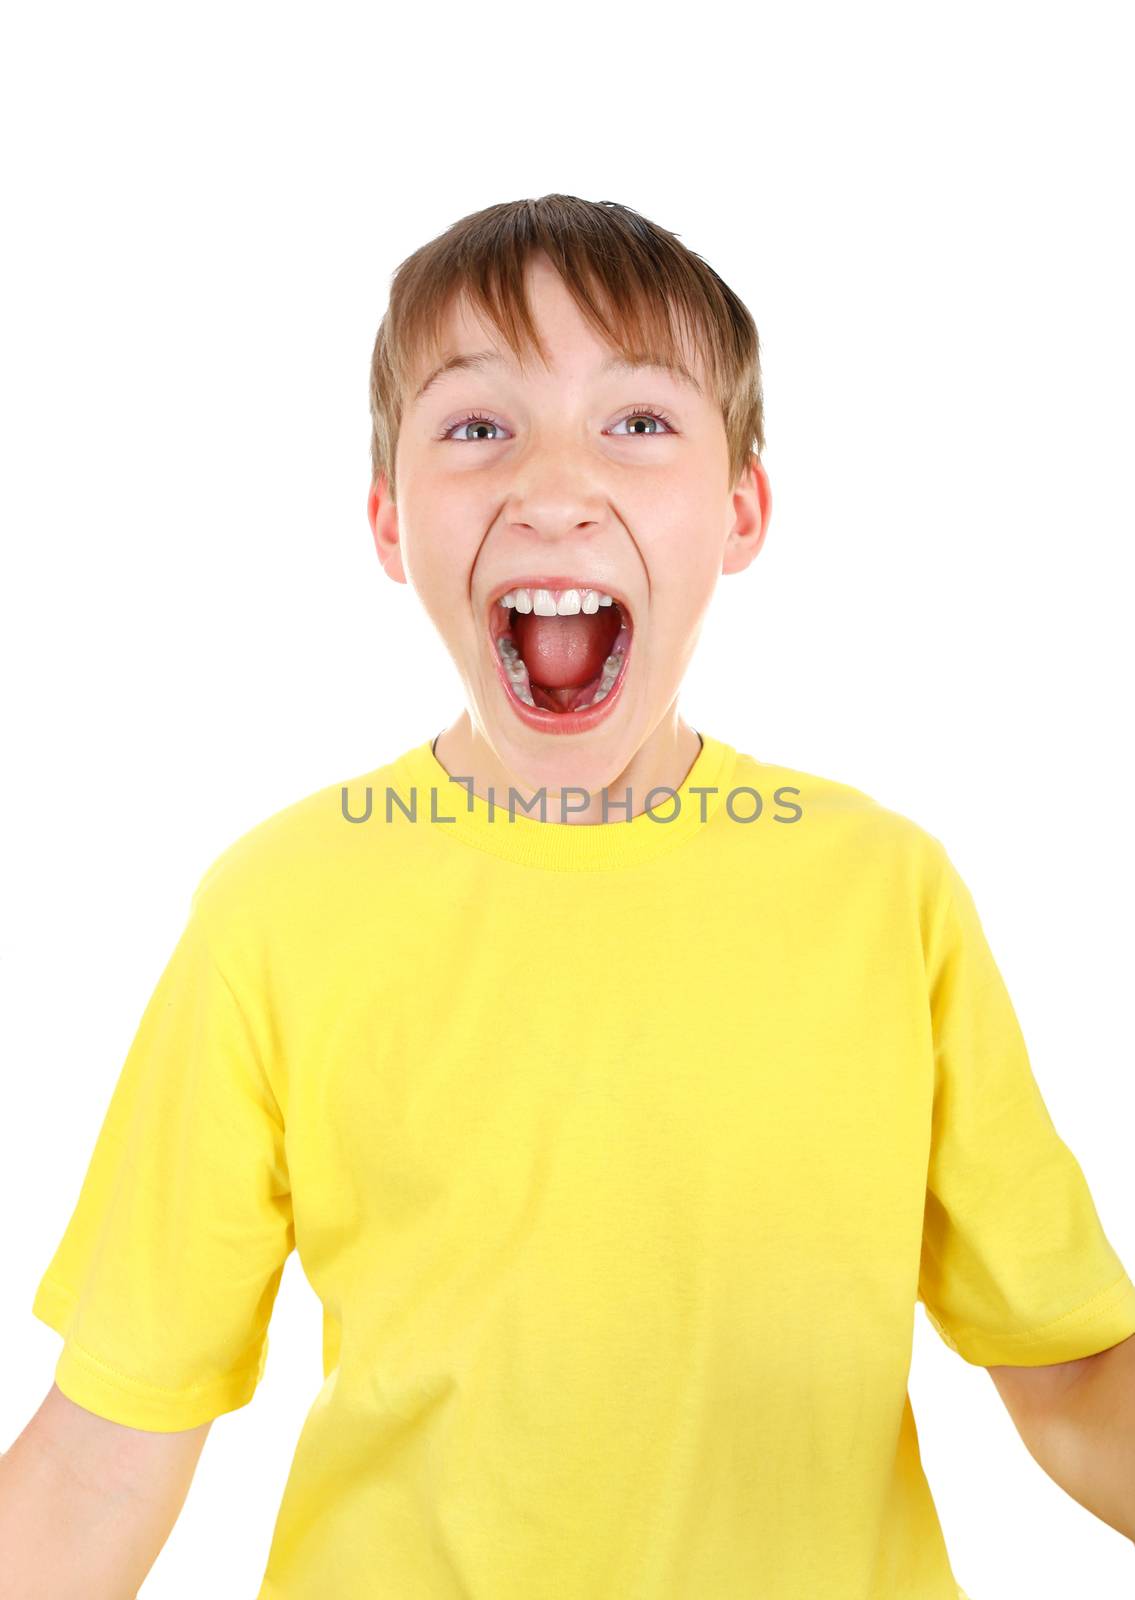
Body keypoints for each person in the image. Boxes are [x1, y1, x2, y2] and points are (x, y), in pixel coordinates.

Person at [4, 194, 1133, 1599]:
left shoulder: (884, 892)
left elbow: (1078, 1373)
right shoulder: (275, 913)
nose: (552, 484)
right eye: (477, 427)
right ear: (387, 519)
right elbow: (107, 1452)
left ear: (741, 512)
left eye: (638, 422)